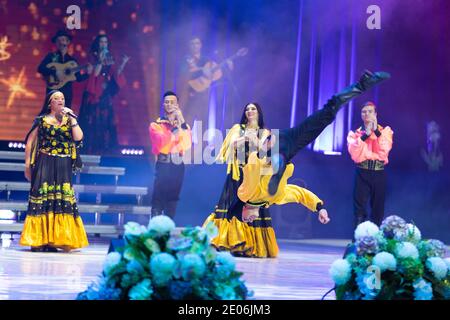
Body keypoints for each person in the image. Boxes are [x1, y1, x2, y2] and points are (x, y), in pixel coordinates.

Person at [233, 71, 390, 230]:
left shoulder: (245, 194)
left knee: (274, 158)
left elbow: (250, 168)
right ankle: (362, 85)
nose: (251, 220)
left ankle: (277, 163)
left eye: (246, 220)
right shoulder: (276, 198)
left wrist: (253, 145)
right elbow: (299, 194)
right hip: (290, 146)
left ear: (243, 209)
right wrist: (319, 207)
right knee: (327, 114)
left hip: (269, 148)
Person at [203, 103, 281, 258]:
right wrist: (245, 138)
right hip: (237, 175)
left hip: (254, 177)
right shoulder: (238, 129)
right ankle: (230, 243)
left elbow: (267, 151)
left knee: (252, 211)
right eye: (247, 109)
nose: (250, 111)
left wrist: (255, 141)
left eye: (253, 109)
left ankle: (251, 246)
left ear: (259, 112)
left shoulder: (265, 132)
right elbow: (230, 145)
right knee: (232, 209)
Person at [21, 90, 89, 252]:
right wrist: (26, 165)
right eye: (56, 98)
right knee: (43, 199)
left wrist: (72, 118)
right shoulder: (42, 121)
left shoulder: (69, 120)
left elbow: (79, 137)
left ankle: (57, 239)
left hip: (63, 164)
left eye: (63, 98)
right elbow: (30, 143)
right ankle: (39, 240)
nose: (60, 100)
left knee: (60, 200)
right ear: (49, 103)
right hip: (45, 162)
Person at [78, 34, 129, 154]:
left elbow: (115, 74)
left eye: (105, 42)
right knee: (92, 122)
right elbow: (94, 74)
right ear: (97, 44)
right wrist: (100, 61)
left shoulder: (109, 58)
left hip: (104, 94)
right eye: (101, 42)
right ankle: (89, 151)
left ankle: (104, 151)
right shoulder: (92, 57)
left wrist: (123, 63)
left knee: (105, 122)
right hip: (93, 94)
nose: (103, 44)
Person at [347, 101, 393, 227]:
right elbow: (355, 155)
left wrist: (375, 132)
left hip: (379, 172)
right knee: (359, 209)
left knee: (377, 209)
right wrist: (365, 135)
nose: (367, 114)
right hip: (362, 172)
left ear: (376, 114)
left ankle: (375, 240)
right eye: (364, 111)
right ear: (361, 115)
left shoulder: (385, 132)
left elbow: (384, 151)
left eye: (370, 111)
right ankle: (358, 240)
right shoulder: (356, 134)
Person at [149, 91, 192, 218]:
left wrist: (181, 121)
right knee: (159, 196)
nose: (169, 104)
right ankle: (155, 227)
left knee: (173, 197)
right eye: (166, 102)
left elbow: (187, 144)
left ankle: (168, 226)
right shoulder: (155, 125)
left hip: (178, 164)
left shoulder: (184, 126)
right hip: (164, 163)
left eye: (172, 102)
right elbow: (162, 144)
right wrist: (174, 130)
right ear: (163, 105)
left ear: (177, 105)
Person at [37, 29, 89, 108]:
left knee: (64, 117)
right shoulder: (51, 56)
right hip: (53, 92)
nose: (62, 42)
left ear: (68, 42)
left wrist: (87, 73)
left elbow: (78, 78)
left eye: (64, 40)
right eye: (59, 40)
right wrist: (55, 72)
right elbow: (40, 68)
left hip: (66, 94)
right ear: (56, 43)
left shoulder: (72, 61)